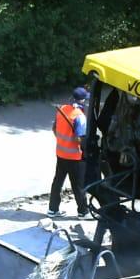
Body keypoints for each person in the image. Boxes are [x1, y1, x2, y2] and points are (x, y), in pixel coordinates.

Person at [49, 86, 89, 216]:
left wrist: (62, 142)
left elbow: (54, 128)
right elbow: (79, 139)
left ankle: (52, 210)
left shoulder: (62, 109)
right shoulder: (80, 116)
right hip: (75, 158)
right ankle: (83, 211)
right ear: (82, 100)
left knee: (57, 182)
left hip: (61, 154)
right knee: (78, 186)